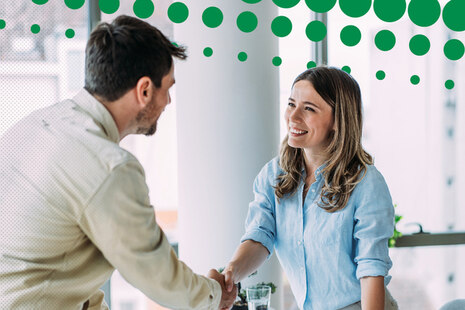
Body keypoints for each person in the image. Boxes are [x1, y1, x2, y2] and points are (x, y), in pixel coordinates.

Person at [0, 15, 236, 310]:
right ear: (145, 90)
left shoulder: (38, 123)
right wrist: (216, 294)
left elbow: (56, 264)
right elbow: (160, 278)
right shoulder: (109, 167)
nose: (168, 103)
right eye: (168, 89)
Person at [222, 67, 398, 310]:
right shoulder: (274, 175)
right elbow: (260, 235)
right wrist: (231, 273)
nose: (293, 117)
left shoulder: (366, 183)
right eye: (291, 104)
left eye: (309, 109)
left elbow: (371, 270)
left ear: (338, 120)